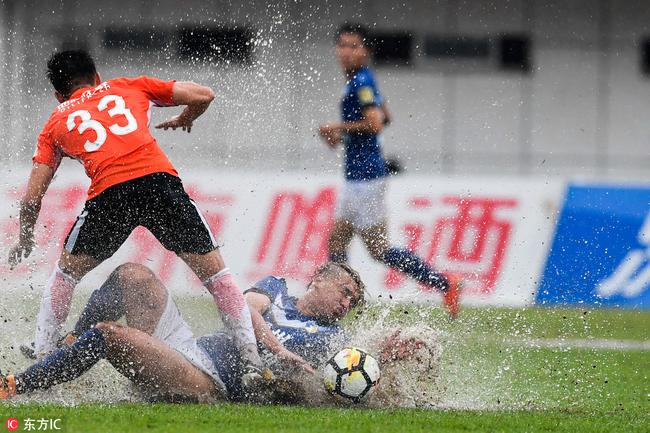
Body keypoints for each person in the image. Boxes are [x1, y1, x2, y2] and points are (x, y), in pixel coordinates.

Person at [6, 50, 261, 375]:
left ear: (58, 95)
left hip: (110, 193)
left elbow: (31, 200)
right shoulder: (128, 86)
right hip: (159, 183)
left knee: (65, 276)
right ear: (97, 77)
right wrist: (187, 117)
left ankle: (44, 360)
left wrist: (25, 237)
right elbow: (204, 94)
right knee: (218, 278)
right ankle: (253, 364)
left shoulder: (55, 123)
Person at [0, 262, 377, 403]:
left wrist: (390, 353)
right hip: (189, 348)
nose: (347, 304)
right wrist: (277, 349)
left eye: (353, 301)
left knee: (107, 335)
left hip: (208, 379)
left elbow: (328, 385)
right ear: (318, 279)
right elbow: (242, 307)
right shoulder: (276, 287)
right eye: (345, 291)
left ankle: (13, 386)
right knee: (133, 275)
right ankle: (63, 348)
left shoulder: (333, 341)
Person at [318, 23, 461, 319]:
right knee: (342, 241)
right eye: (342, 45)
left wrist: (337, 128)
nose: (346, 51)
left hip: (366, 178)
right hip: (362, 176)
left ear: (366, 51)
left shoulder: (361, 83)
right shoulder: (362, 80)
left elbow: (375, 123)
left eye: (353, 46)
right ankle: (342, 301)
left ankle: (445, 283)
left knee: (375, 248)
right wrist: (347, 133)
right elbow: (386, 116)